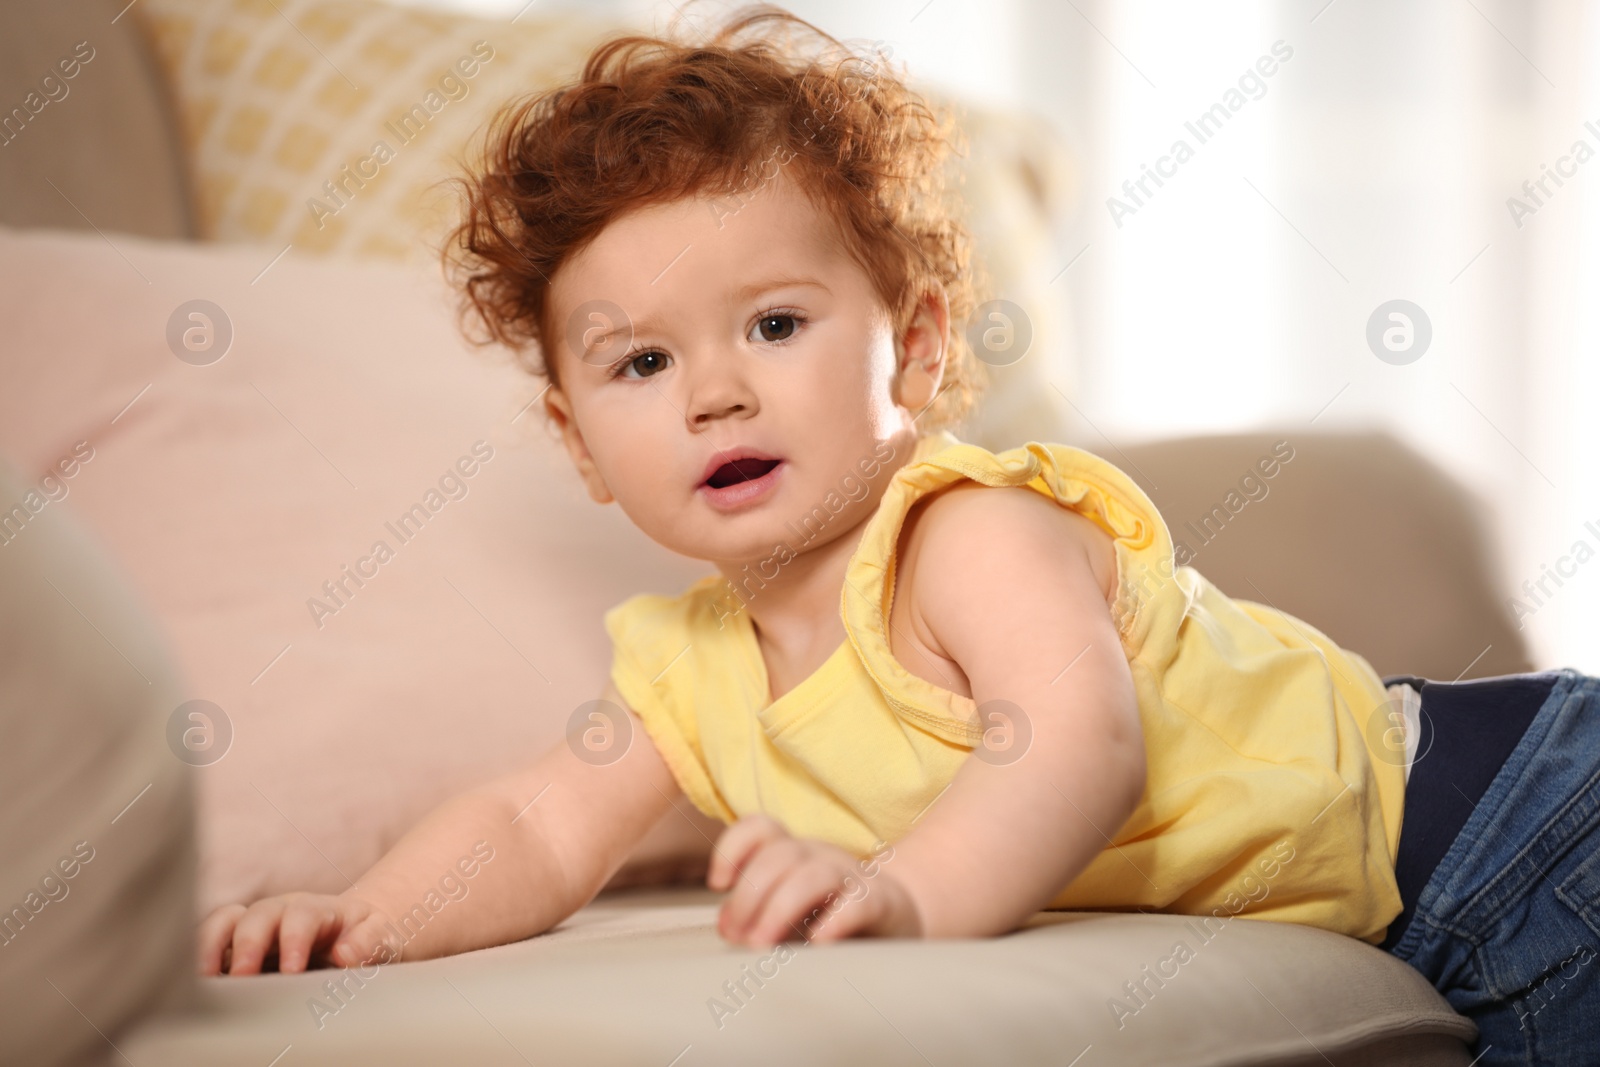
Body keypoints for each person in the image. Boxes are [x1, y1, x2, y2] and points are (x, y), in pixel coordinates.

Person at [197, 7, 1599, 1061]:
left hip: (1511, 819)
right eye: (640, 365)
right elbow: (535, 823)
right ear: (579, 447)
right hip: (1418, 885)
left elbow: (1073, 742)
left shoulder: (966, 534)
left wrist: (904, 897)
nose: (717, 391)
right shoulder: (688, 668)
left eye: (774, 323)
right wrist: (366, 918)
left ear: (917, 353)